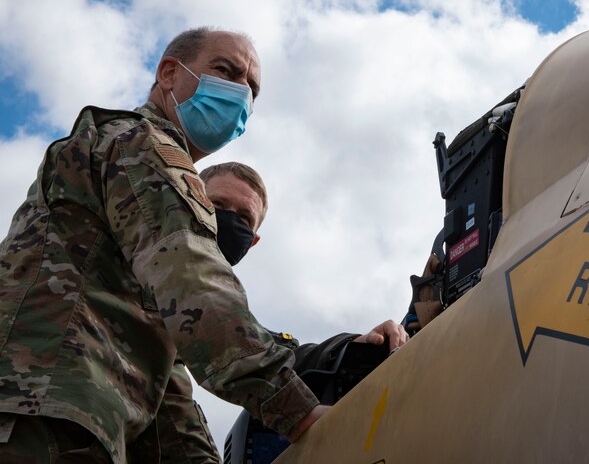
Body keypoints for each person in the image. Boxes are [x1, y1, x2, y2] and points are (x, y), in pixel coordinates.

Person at [0, 27, 325, 463]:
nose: (240, 93)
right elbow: (192, 281)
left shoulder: (140, 258)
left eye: (251, 89)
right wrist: (299, 411)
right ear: (170, 73)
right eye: (225, 71)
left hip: (61, 414)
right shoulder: (139, 142)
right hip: (38, 410)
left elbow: (168, 401)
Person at [158, 161, 408, 463]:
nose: (227, 219)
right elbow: (225, 338)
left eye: (243, 217)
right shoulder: (152, 254)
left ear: (252, 242)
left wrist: (352, 346)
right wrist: (303, 415)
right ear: (189, 202)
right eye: (218, 204)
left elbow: (265, 347)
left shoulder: (208, 325)